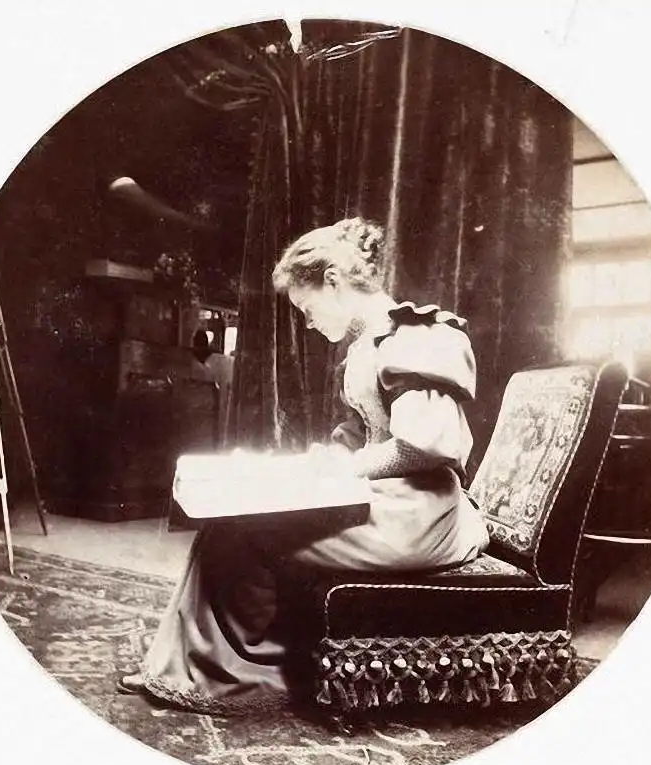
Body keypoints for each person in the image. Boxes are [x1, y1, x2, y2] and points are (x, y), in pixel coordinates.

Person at [117, 217, 489, 713]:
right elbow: (366, 438)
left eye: (306, 308)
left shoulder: (414, 337)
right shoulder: (369, 344)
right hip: (389, 501)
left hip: (420, 516)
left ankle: (251, 675)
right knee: (231, 519)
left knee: (242, 532)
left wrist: (343, 472)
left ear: (333, 282)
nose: (308, 323)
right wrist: (320, 465)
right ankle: (190, 669)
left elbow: (424, 448)